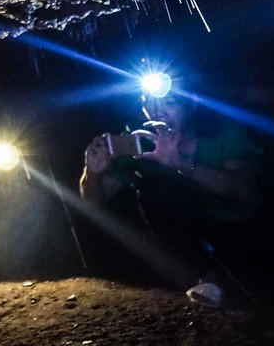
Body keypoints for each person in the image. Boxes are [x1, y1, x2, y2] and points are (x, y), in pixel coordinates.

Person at [79, 94, 263, 307]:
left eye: (170, 102)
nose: (158, 111)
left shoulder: (224, 129)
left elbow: (243, 191)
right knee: (153, 185)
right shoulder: (140, 138)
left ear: (191, 103)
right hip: (194, 228)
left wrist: (182, 164)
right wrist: (93, 173)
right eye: (150, 103)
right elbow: (93, 200)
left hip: (240, 226)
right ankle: (206, 277)